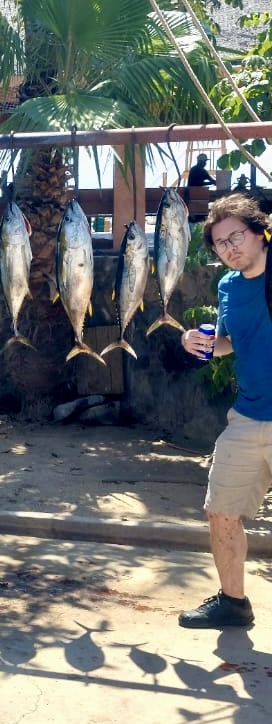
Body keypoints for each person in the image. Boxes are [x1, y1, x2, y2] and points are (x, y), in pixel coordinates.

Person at [178, 191, 272, 629]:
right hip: (249, 416)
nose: (230, 248)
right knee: (221, 510)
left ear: (260, 233)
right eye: (220, 243)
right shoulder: (228, 286)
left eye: (237, 237)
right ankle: (233, 603)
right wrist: (198, 345)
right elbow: (229, 342)